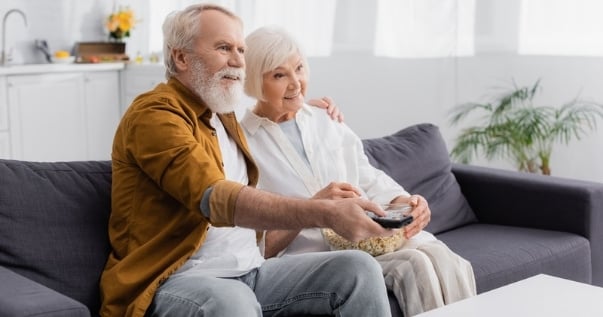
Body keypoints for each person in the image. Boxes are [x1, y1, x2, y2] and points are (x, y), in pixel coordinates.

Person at [99, 4, 395, 317]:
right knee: (231, 303)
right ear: (181, 57)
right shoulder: (155, 115)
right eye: (224, 48)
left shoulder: (222, 112)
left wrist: (299, 104)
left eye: (241, 49)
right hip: (179, 281)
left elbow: (262, 110)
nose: (239, 60)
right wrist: (325, 212)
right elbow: (215, 197)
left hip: (252, 272)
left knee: (357, 269)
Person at [240, 26, 477, 317]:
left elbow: (367, 176)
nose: (296, 84)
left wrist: (406, 202)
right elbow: (256, 246)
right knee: (414, 265)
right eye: (279, 75)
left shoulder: (326, 121)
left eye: (299, 68)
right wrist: (313, 207)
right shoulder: (244, 145)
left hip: (366, 238)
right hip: (312, 257)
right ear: (254, 81)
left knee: (443, 256)